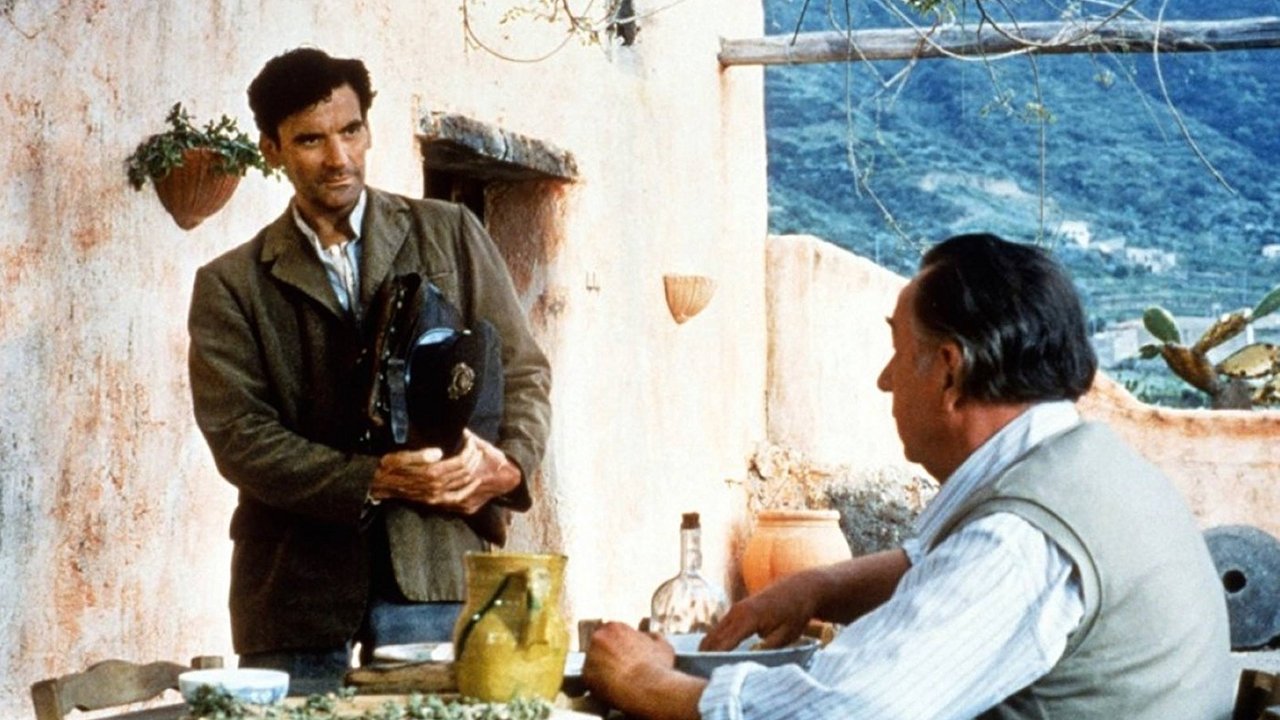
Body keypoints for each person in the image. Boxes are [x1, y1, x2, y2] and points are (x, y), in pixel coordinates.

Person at [583, 233, 1232, 719]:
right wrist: (814, 588)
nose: (885, 380)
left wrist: (647, 682)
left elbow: (847, 711)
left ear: (950, 370)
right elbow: (939, 566)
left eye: (898, 351)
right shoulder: (1087, 468)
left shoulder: (1015, 541)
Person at [187, 47, 551, 693]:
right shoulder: (230, 285)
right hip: (295, 594)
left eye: (351, 130)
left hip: (437, 573)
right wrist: (372, 479)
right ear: (271, 149)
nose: (339, 157)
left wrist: (509, 465)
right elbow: (241, 437)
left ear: (368, 130)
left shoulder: (451, 231)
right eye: (310, 139)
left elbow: (522, 371)